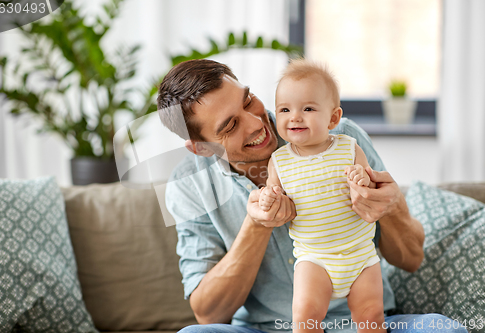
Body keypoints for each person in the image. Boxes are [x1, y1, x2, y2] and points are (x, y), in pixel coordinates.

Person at [157, 59, 466, 333]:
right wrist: (256, 226)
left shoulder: (342, 139)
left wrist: (392, 206)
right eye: (230, 125)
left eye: (248, 100)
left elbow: (411, 260)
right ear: (201, 147)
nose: (257, 123)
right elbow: (208, 312)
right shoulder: (186, 185)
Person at [259, 59, 384, 332]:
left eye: (308, 108)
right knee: (304, 316)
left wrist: (363, 180)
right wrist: (269, 198)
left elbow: (370, 187)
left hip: (360, 254)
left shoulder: (349, 147)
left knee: (371, 315)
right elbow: (273, 193)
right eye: (284, 109)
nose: (295, 116)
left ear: (333, 118)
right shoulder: (279, 161)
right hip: (314, 258)